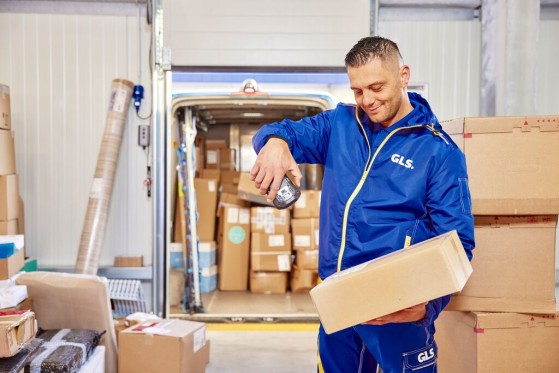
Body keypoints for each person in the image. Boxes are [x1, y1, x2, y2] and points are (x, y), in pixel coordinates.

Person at [250, 36, 475, 373]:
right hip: (338, 303)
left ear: (403, 75)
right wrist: (273, 142)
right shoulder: (339, 125)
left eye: (376, 87)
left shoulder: (438, 152)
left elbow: (459, 244)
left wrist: (428, 306)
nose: (367, 100)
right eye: (357, 90)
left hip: (398, 311)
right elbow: (286, 132)